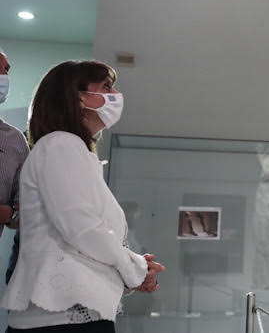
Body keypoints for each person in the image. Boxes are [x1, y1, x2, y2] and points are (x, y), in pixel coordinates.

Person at [0, 60, 165, 332]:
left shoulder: (74, 149)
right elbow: (82, 227)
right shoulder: (60, 144)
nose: (115, 95)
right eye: (106, 87)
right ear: (78, 98)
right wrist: (134, 268)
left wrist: (134, 270)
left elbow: (89, 237)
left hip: (73, 314)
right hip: (59, 318)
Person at [0, 48, 29, 240]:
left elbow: (23, 210)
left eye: (6, 69)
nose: (4, 75)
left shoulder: (14, 140)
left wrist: (10, 213)